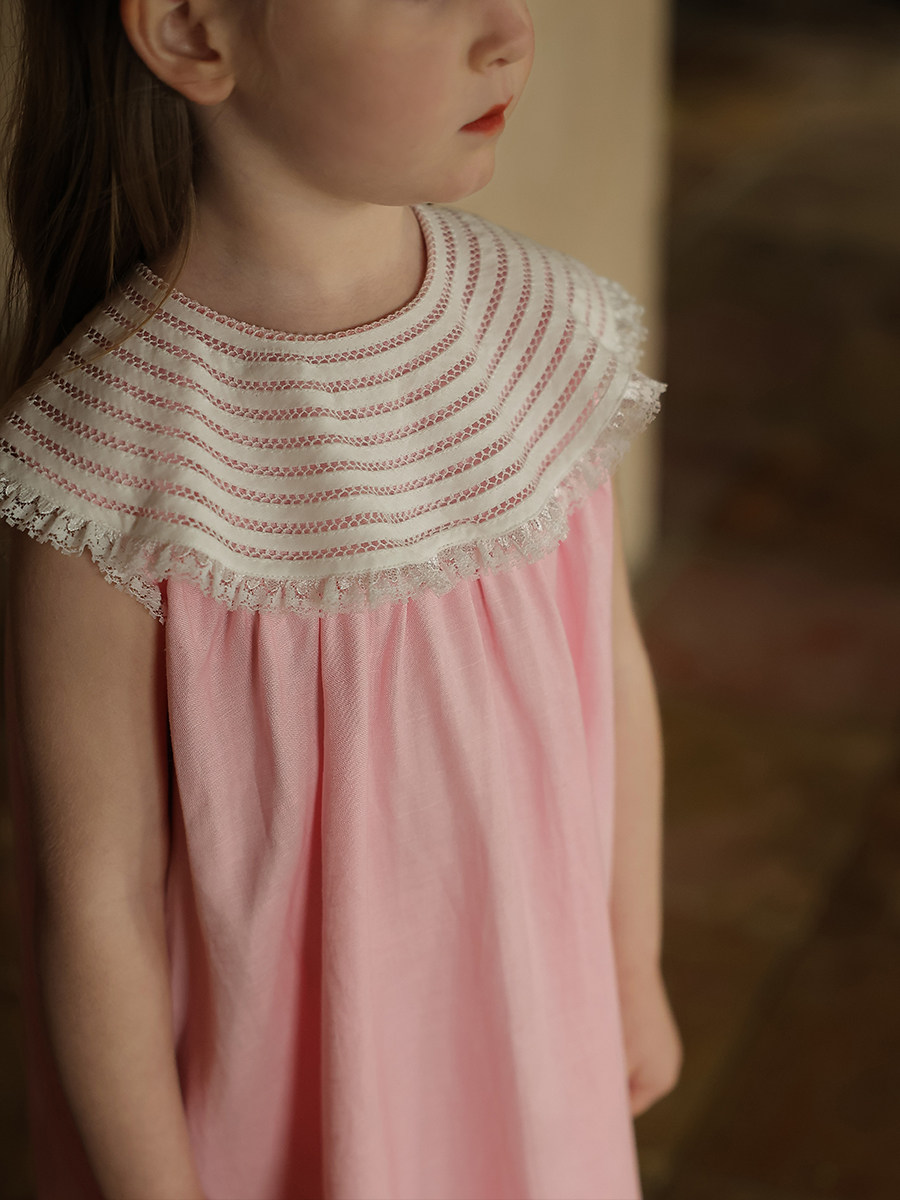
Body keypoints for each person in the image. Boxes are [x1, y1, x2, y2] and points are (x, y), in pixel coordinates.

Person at [0, 0, 682, 1196]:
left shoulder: (544, 336)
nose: (508, 31)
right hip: (270, 1120)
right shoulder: (112, 469)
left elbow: (608, 679)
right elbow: (96, 904)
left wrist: (628, 968)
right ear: (194, 33)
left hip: (534, 1041)